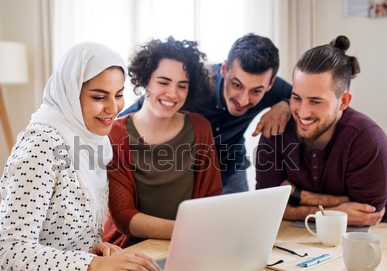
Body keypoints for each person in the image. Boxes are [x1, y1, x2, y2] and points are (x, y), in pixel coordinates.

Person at [0, 43, 162, 271]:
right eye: (98, 97)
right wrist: (92, 265)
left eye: (118, 94)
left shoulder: (92, 140)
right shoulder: (41, 145)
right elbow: (11, 251)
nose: (113, 108)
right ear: (71, 95)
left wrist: (91, 250)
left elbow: (59, 234)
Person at [119, 33, 292, 194]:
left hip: (231, 166)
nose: (243, 100)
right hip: (187, 171)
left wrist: (285, 105)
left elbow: (302, 96)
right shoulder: (195, 85)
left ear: (270, 85)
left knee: (240, 221)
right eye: (237, 85)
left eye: (256, 91)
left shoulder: (271, 87)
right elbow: (145, 107)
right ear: (225, 69)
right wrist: (109, 131)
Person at [255, 35, 387, 226]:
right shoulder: (276, 129)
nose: (302, 112)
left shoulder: (368, 139)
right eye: (296, 97)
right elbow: (265, 205)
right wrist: (336, 210)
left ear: (343, 101)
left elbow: (367, 214)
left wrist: (296, 195)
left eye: (315, 101)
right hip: (293, 242)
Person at [103, 37, 222, 248]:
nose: (172, 94)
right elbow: (123, 217)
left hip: (187, 247)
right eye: (163, 82)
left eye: (182, 86)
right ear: (145, 80)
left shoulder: (200, 128)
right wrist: (187, 231)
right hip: (130, 251)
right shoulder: (114, 135)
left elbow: (211, 200)